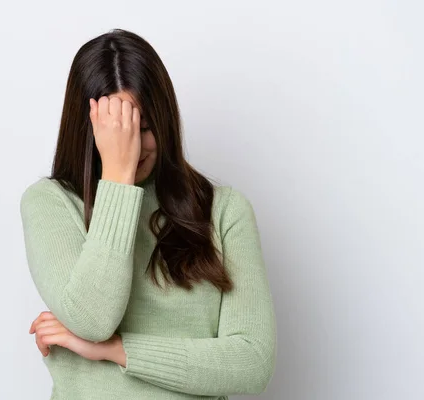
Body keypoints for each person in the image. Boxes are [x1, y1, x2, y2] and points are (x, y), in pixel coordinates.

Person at [19, 28, 277, 400]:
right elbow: (93, 319)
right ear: (86, 130)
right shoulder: (50, 204)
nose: (133, 146)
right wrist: (118, 179)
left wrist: (116, 350)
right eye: (116, 133)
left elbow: (252, 363)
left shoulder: (225, 211)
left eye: (144, 127)